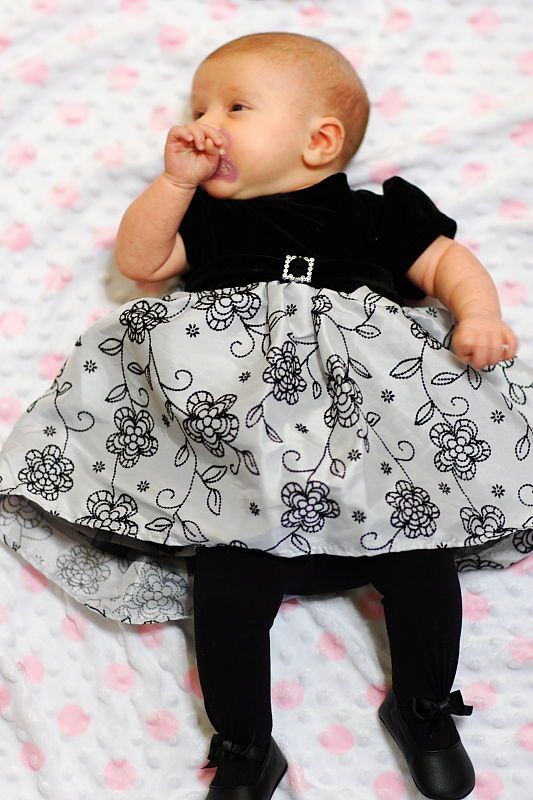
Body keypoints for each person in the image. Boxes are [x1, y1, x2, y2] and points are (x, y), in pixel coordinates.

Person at [0, 29, 530, 800]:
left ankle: (422, 706)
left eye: (234, 108)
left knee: (422, 561)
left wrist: (478, 313)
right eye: (197, 109)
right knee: (224, 586)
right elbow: (141, 264)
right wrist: (174, 182)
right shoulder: (210, 219)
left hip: (372, 465)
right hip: (241, 471)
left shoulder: (375, 216)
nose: (205, 124)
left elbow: (447, 261)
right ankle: (246, 742)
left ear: (319, 142)